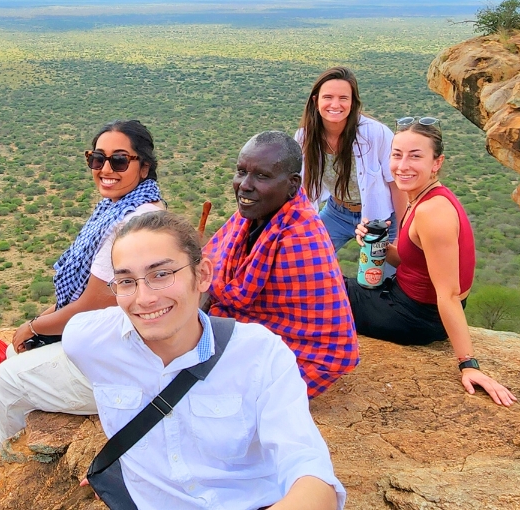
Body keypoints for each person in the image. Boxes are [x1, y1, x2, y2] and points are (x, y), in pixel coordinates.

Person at [63, 211, 345, 510]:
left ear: (203, 274)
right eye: (127, 281)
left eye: (161, 274)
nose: (144, 298)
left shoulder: (259, 356)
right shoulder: (87, 342)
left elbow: (312, 477)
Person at [0, 120, 164, 451]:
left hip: (124, 358)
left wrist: (33, 325)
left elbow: (94, 303)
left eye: (119, 160)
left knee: (6, 379)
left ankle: (9, 460)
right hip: (109, 337)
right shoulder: (124, 207)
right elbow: (83, 295)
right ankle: (32, 441)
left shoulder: (130, 222)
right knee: (16, 352)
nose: (106, 168)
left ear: (143, 167)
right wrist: (44, 324)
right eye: (98, 159)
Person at [351, 118, 516, 407]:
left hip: (414, 318)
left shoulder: (432, 213)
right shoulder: (425, 197)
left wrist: (469, 364)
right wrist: (375, 245)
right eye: (397, 154)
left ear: (436, 162)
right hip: (409, 302)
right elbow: (409, 260)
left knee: (317, 288)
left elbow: (449, 294)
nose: (402, 165)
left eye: (415, 156)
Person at [204, 131, 359, 398]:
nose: (244, 185)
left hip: (302, 357)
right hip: (251, 329)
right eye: (241, 172)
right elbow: (210, 271)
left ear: (292, 184)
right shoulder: (251, 214)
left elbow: (328, 344)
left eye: (261, 176)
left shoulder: (301, 238)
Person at [295, 66, 407, 252]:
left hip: (382, 218)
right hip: (336, 213)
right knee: (306, 258)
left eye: (343, 98)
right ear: (316, 101)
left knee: (384, 277)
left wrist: (403, 232)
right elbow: (300, 189)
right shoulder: (304, 139)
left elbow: (396, 185)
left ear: (353, 102)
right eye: (328, 97)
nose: (335, 104)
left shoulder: (375, 134)